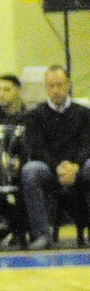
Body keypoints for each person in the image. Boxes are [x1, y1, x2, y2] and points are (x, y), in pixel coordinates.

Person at [20, 65, 90, 250]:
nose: (56, 90)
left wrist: (75, 166)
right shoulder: (35, 115)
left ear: (69, 85)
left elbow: (87, 144)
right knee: (31, 170)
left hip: (79, 166)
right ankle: (42, 233)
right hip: (49, 168)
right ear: (46, 88)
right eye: (51, 86)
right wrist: (58, 167)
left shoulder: (84, 113)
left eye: (60, 85)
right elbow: (37, 148)